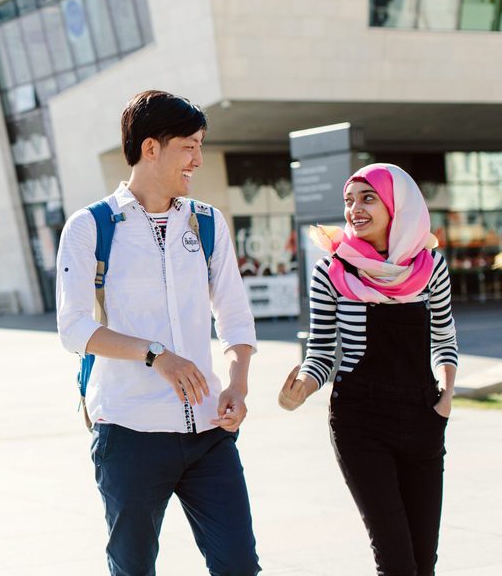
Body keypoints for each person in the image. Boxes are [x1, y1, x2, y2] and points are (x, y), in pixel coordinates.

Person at [56, 90, 260, 576]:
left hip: (208, 431)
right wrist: (156, 355)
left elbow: (233, 311)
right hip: (129, 432)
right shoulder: (91, 227)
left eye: (201, 145)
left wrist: (237, 383)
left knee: (238, 566)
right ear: (151, 148)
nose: (198, 159)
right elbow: (74, 328)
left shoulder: (207, 223)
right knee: (133, 569)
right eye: (189, 146)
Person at [279, 163, 458, 576]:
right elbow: (322, 352)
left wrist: (445, 399)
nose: (354, 209)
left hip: (423, 417)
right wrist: (300, 389)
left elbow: (444, 339)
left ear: (397, 205)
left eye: (367, 198)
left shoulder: (431, 267)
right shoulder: (331, 271)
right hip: (360, 422)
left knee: (423, 561)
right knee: (396, 561)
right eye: (349, 201)